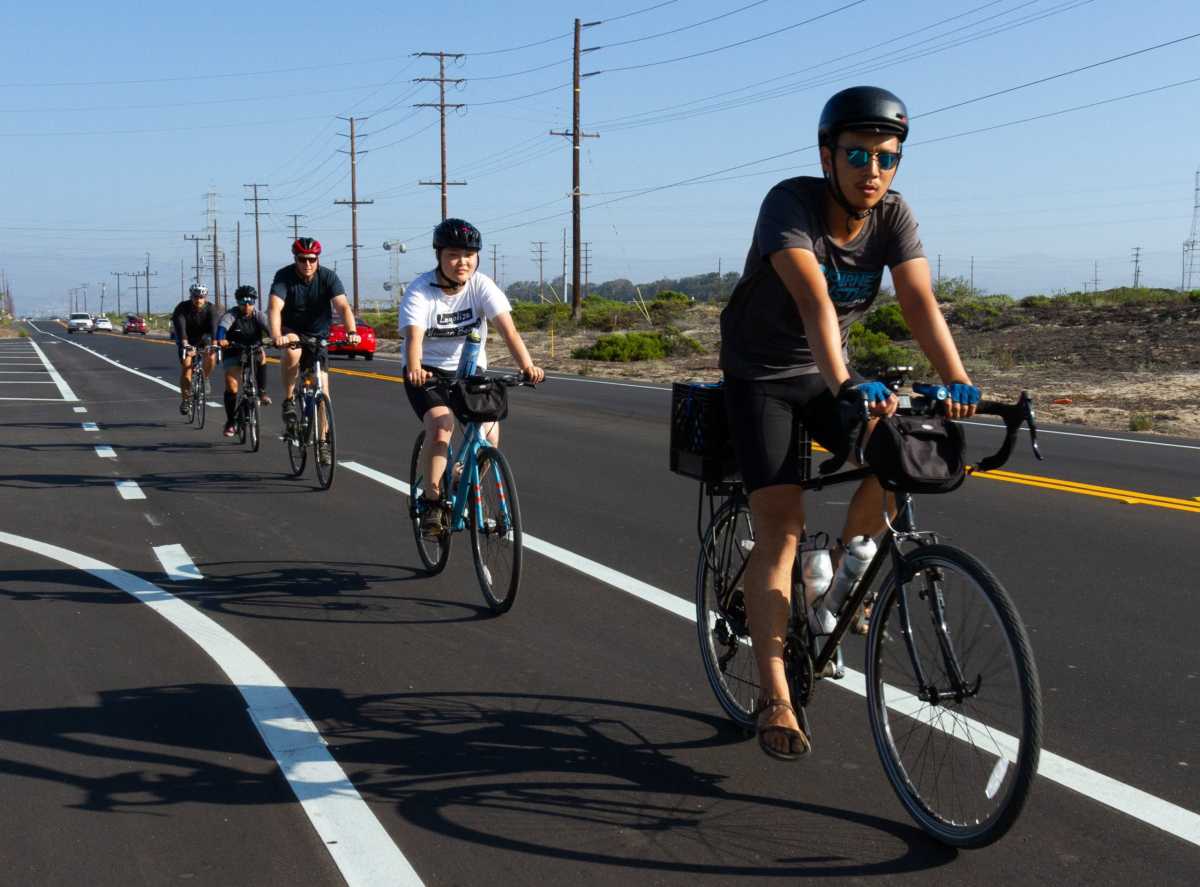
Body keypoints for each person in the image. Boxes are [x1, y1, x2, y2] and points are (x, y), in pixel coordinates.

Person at [719, 86, 980, 761]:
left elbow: (919, 299)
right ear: (827, 155)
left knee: (904, 455)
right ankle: (776, 691)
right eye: (859, 155)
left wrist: (956, 376)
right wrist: (845, 383)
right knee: (781, 527)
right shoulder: (790, 204)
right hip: (763, 376)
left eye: (888, 159)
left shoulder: (893, 215)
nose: (874, 171)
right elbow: (814, 303)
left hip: (831, 369)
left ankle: (847, 567)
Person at [400, 218, 545, 538]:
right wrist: (414, 367)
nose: (462, 262)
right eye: (453, 255)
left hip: (469, 371)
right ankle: (434, 503)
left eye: (469, 255)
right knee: (441, 427)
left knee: (490, 438)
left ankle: (461, 479)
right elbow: (414, 337)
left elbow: (508, 330)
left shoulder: (482, 285)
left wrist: (528, 366)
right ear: (439, 256)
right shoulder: (421, 291)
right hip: (428, 372)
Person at [268, 237, 358, 464]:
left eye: (312, 259)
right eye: (302, 259)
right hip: (293, 331)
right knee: (292, 351)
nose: (307, 264)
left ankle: (323, 442)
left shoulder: (328, 277)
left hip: (319, 336)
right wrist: (277, 335)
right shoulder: (284, 276)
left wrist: (351, 331)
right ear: (295, 259)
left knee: (323, 391)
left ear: (317, 259)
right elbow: (274, 307)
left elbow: (343, 306)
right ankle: (289, 400)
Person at [215, 285, 272, 438]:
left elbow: (271, 329)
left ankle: (262, 392)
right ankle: (230, 421)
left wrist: (276, 338)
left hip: (253, 349)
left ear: (254, 302)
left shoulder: (259, 315)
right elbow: (222, 329)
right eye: (243, 302)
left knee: (262, 355)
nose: (247, 306)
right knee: (232, 387)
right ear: (238, 302)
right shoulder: (231, 315)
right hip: (234, 350)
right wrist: (221, 339)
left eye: (250, 302)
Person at [171, 283, 218, 414]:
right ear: (191, 296)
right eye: (195, 297)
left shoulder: (211, 309)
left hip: (204, 339)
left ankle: (206, 378)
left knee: (212, 355)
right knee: (187, 366)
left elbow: (214, 328)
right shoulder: (182, 308)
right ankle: (186, 400)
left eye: (201, 297)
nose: (198, 300)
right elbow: (181, 328)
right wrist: (186, 344)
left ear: (205, 298)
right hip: (186, 339)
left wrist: (214, 344)